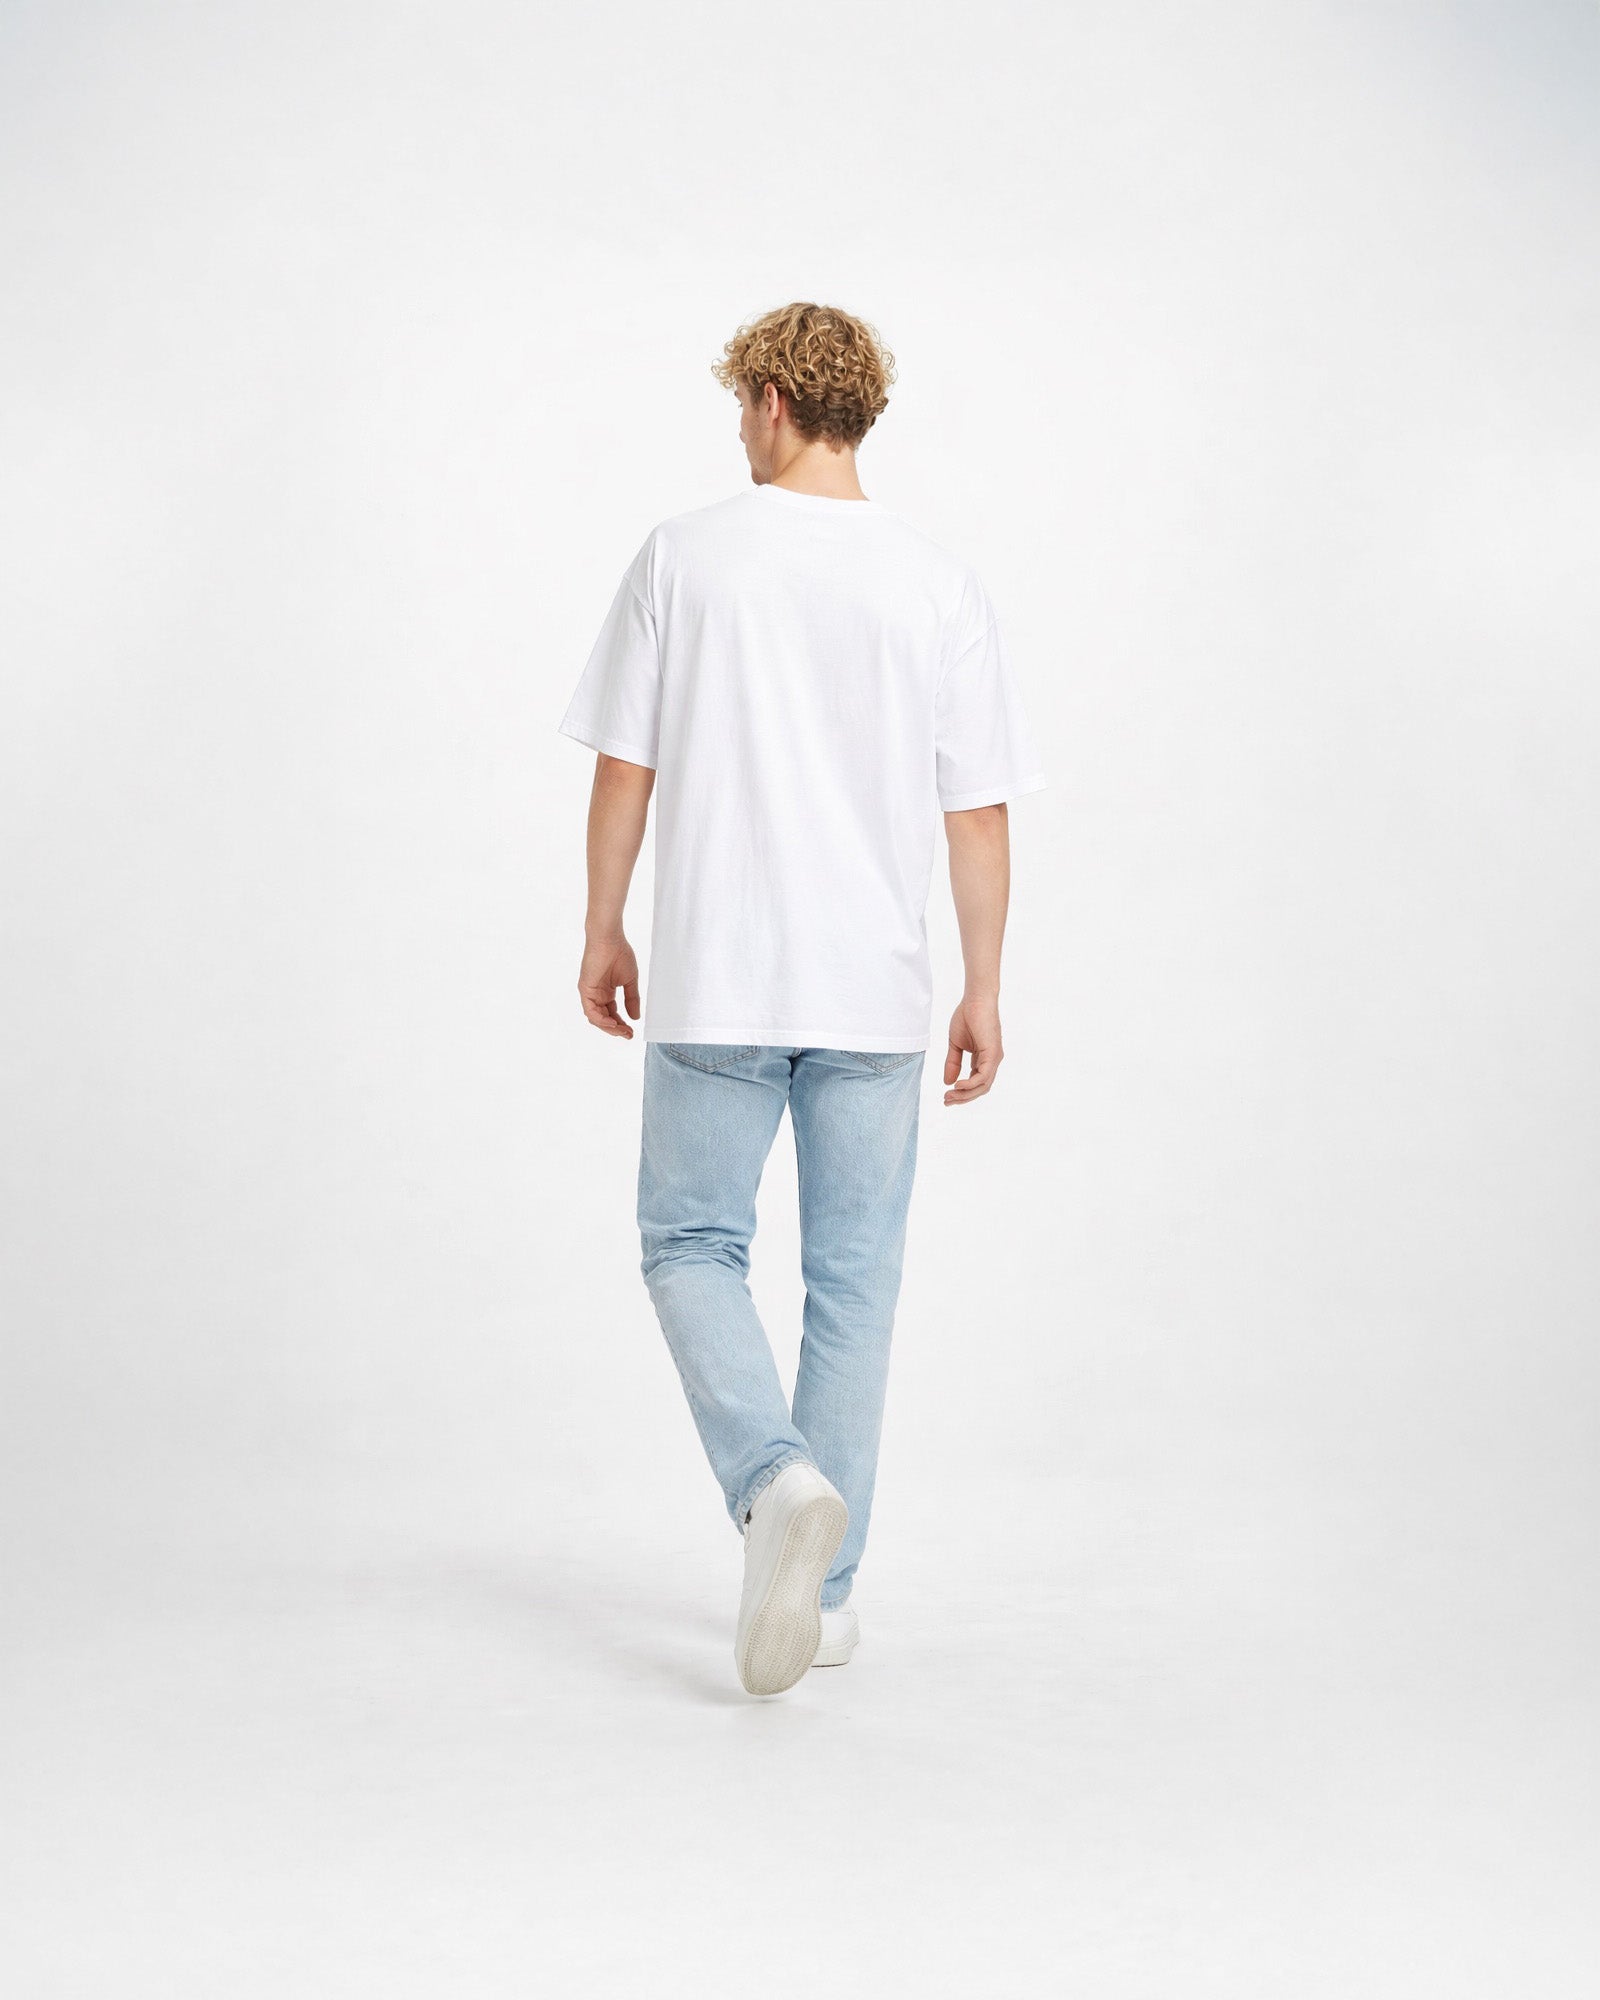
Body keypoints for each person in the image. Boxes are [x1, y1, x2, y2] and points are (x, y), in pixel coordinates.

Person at [559, 301, 1045, 1697]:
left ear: (773, 401)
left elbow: (625, 768)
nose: (738, 431)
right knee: (855, 1286)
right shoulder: (936, 583)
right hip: (875, 995)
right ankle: (822, 1604)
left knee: (689, 1245)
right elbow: (978, 813)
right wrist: (984, 985)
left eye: (740, 407)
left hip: (718, 973)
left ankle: (773, 1482)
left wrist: (603, 925)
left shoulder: (685, 555)